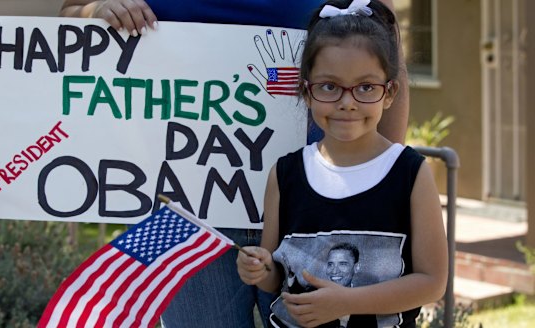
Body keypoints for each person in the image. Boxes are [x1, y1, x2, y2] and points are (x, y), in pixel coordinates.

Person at [59, 1, 409, 327]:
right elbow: (73, 13)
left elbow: (388, 54)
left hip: (320, 204)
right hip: (185, 208)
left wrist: (384, 182)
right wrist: (97, 11)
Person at [236, 0, 448, 327]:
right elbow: (277, 276)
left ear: (389, 92)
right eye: (329, 87)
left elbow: (432, 281)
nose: (347, 103)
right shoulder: (285, 174)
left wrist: (347, 302)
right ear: (306, 92)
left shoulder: (410, 172)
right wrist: (260, 269)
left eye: (365, 87)